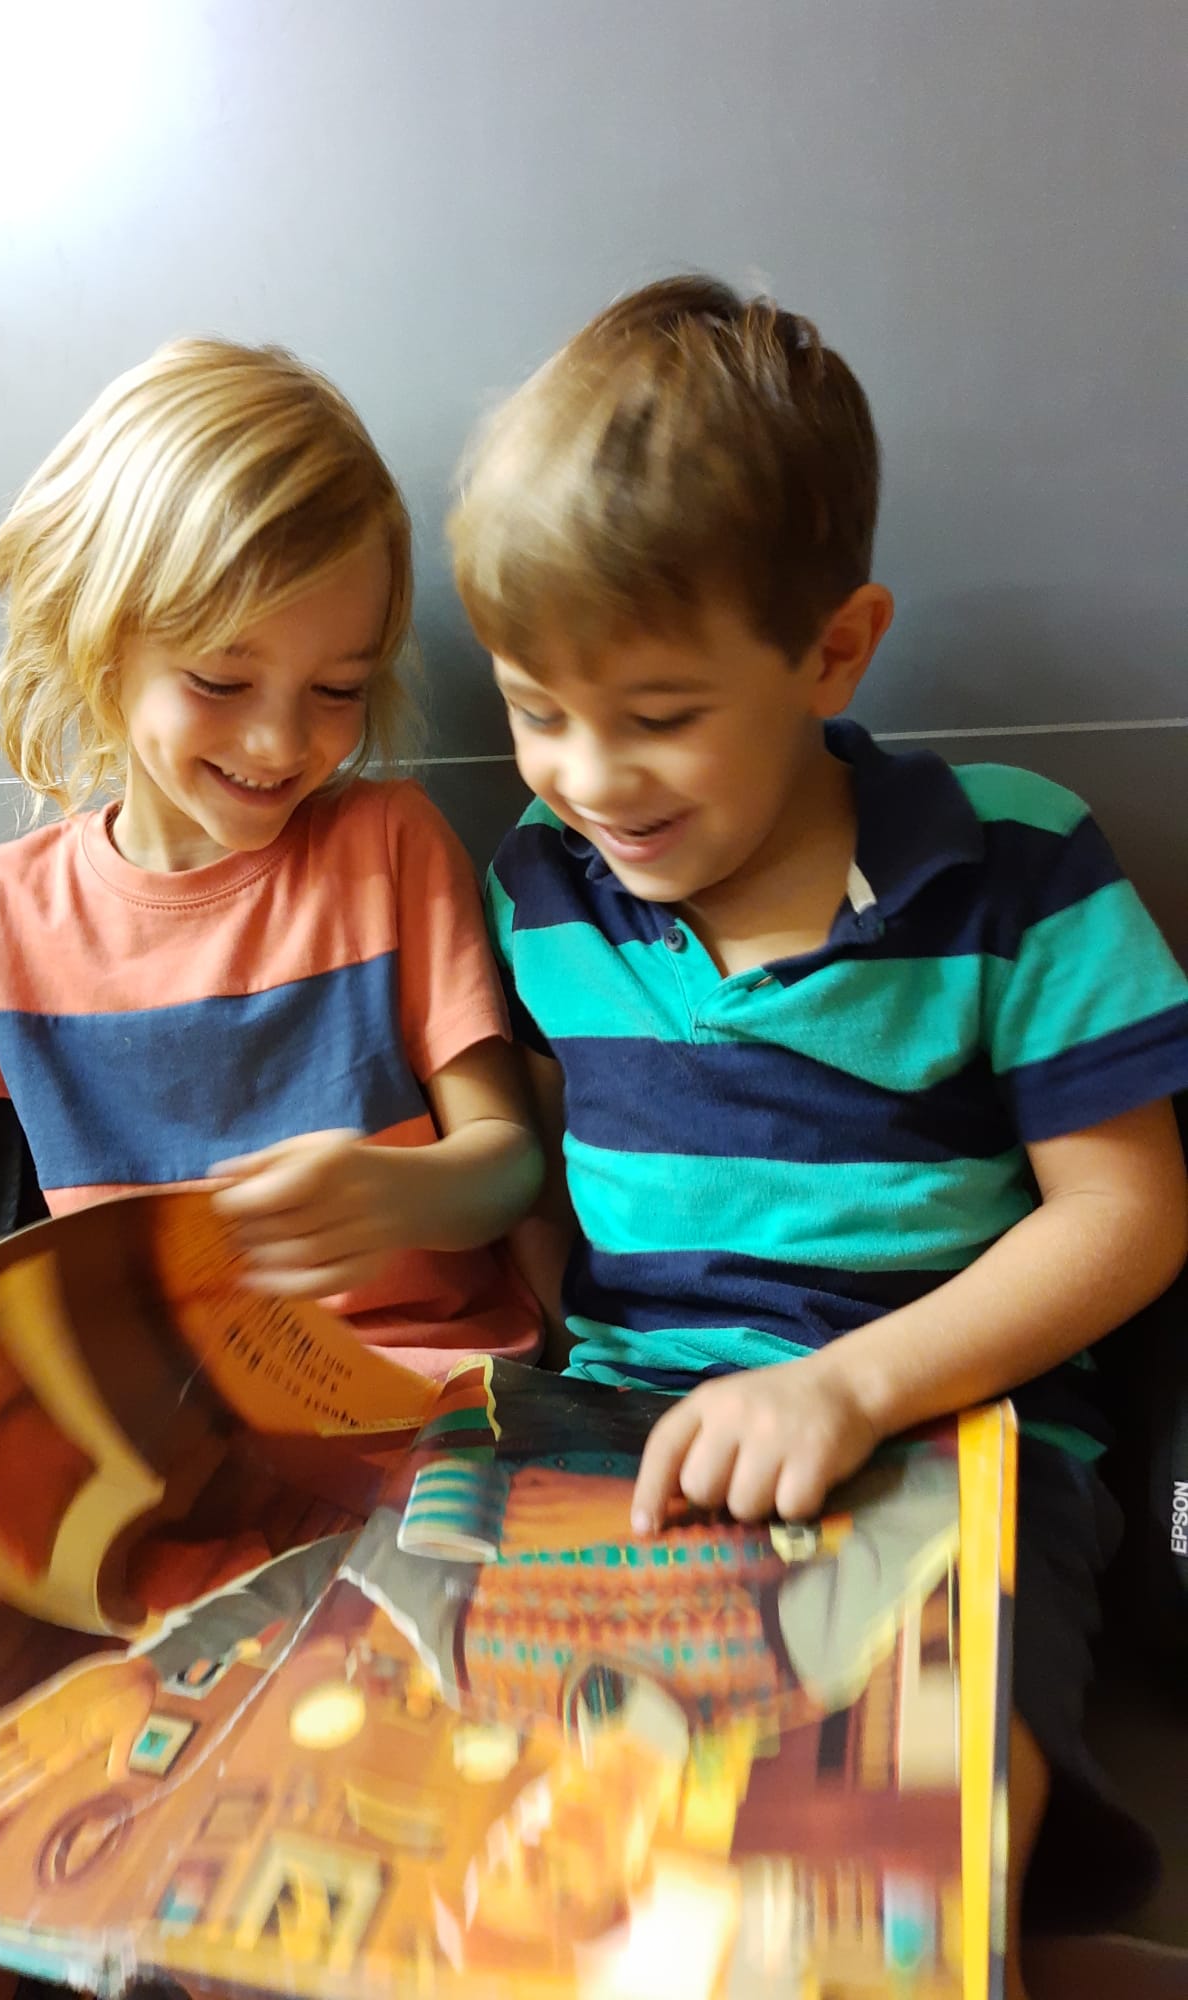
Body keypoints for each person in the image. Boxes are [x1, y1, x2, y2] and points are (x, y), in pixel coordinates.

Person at [450, 274, 1188, 2000]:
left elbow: (1129, 1212)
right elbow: (551, 1161)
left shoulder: (1015, 864)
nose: (589, 778)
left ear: (835, 651)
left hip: (946, 1442)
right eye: (535, 709)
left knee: (887, 1871)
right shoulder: (541, 890)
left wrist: (849, 1389)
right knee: (505, 1849)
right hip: (619, 1442)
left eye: (658, 717)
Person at [0, 335, 542, 2000]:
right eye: (222, 678)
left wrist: (409, 1194)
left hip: (418, 1438)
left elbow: (508, 1166)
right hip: (148, 1468)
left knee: (294, 1776)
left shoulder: (390, 850)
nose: (287, 739)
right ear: (97, 636)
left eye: (339, 687)